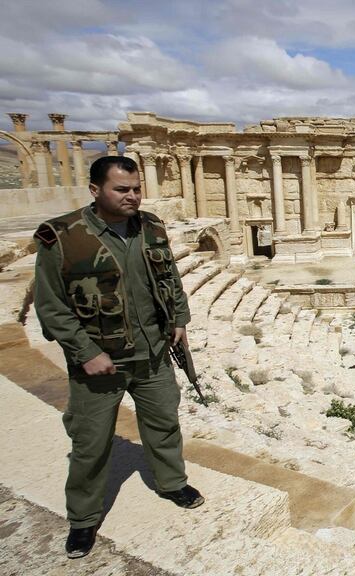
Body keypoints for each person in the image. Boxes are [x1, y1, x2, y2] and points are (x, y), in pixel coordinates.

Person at [33, 155, 204, 559]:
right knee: (91, 442)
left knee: (164, 423)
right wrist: (85, 352)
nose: (132, 196)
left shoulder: (150, 226)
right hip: (101, 360)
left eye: (136, 189)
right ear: (95, 190)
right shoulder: (63, 236)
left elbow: (169, 279)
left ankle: (171, 483)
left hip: (153, 352)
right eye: (121, 189)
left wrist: (179, 318)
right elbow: (51, 306)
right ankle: (83, 519)